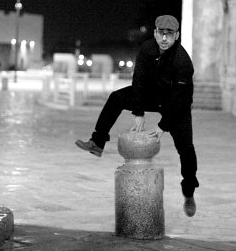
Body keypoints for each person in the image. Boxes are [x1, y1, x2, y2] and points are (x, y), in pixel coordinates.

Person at [75, 14, 199, 217]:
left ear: (176, 36)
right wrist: (139, 112)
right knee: (117, 97)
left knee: (186, 149)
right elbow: (139, 80)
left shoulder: (183, 62)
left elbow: (180, 100)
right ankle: (97, 142)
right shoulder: (147, 49)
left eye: (169, 34)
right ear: (155, 33)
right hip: (153, 95)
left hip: (176, 104)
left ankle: (189, 192)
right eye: (161, 33)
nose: (164, 38)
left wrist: (163, 125)